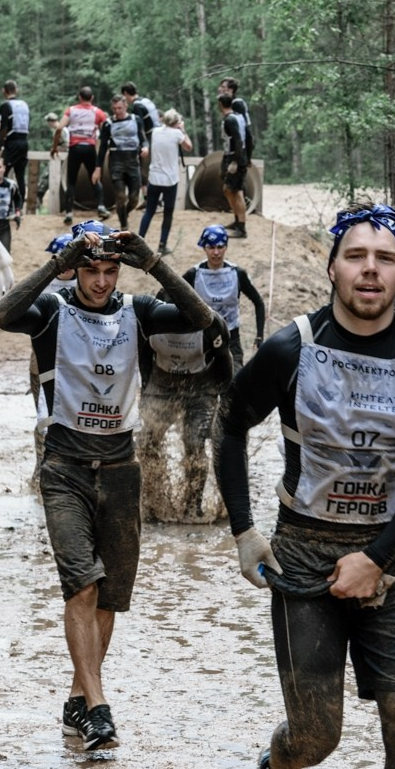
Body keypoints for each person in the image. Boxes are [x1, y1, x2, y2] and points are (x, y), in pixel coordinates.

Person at [216, 202, 395, 769]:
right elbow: (228, 424)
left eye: (385, 258)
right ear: (332, 267)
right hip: (302, 555)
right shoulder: (290, 348)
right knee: (314, 740)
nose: (370, 269)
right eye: (355, 256)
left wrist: (376, 559)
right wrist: (244, 532)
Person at [0, 221, 229, 752]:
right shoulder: (52, 310)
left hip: (122, 469)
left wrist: (155, 263)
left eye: (109, 270)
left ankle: (79, 698)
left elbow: (205, 320)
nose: (100, 281)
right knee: (82, 583)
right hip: (64, 466)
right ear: (77, 267)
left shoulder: (138, 312)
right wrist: (56, 265)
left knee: (109, 598)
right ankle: (99, 708)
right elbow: (2, 313)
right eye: (91, 270)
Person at [138, 281, 233, 522]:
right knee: (147, 441)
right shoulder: (147, 323)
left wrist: (223, 399)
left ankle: (192, 507)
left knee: (194, 442)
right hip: (161, 384)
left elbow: (224, 362)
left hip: (201, 388)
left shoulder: (211, 325)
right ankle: (153, 503)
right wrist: (145, 391)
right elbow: (143, 358)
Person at [26, 233, 79, 489]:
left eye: (72, 260)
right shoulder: (41, 283)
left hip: (78, 363)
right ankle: (41, 468)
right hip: (42, 361)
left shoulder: (88, 281)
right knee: (43, 418)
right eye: (62, 259)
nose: (67, 266)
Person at [184, 224, 265, 368]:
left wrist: (259, 335)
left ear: (226, 247)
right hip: (201, 337)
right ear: (204, 248)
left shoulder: (237, 273)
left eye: (220, 247)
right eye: (211, 247)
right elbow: (171, 299)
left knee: (235, 381)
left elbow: (258, 302)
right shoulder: (194, 274)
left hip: (231, 337)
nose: (216, 253)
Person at [51, 86, 109, 225]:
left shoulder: (71, 110)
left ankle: (69, 213)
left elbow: (59, 128)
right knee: (94, 177)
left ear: (79, 97)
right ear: (92, 98)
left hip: (75, 148)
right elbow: (106, 130)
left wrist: (54, 147)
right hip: (89, 147)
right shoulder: (98, 112)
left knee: (71, 180)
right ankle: (100, 206)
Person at [138, 108, 191, 255]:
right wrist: (183, 130)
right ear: (176, 122)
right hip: (170, 181)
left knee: (149, 211)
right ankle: (162, 244)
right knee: (168, 213)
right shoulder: (177, 134)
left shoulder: (156, 131)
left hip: (154, 178)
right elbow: (188, 147)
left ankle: (138, 241)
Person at [97, 94, 148, 231]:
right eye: (114, 108)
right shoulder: (108, 123)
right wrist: (98, 167)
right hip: (116, 161)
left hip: (132, 161)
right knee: (120, 196)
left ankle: (123, 213)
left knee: (134, 199)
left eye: (119, 108)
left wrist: (145, 147)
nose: (117, 111)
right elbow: (102, 147)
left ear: (126, 106)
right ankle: (124, 225)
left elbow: (143, 138)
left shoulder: (135, 119)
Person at [218, 94, 249, 238]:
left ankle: (241, 227)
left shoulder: (230, 120)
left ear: (220, 104)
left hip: (235, 157)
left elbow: (238, 141)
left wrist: (235, 161)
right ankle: (237, 221)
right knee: (229, 190)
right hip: (233, 156)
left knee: (235, 191)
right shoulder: (237, 117)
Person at [0, 80, 31, 199]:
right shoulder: (24, 105)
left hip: (12, 143)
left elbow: (3, 129)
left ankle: (0, 200)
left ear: (4, 91)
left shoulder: (6, 106)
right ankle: (19, 207)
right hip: (24, 141)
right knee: (20, 175)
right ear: (16, 90)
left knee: (1, 172)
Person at [218, 76, 254, 161]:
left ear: (230, 90)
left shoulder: (237, 104)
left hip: (238, 151)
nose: (220, 89)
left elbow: (244, 130)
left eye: (223, 87)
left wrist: (247, 155)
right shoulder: (227, 104)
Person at [37, 112, 65, 212]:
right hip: (60, 159)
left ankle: (39, 196)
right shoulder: (61, 129)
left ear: (50, 122)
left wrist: (57, 150)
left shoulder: (60, 130)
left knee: (46, 177)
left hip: (61, 159)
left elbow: (66, 145)